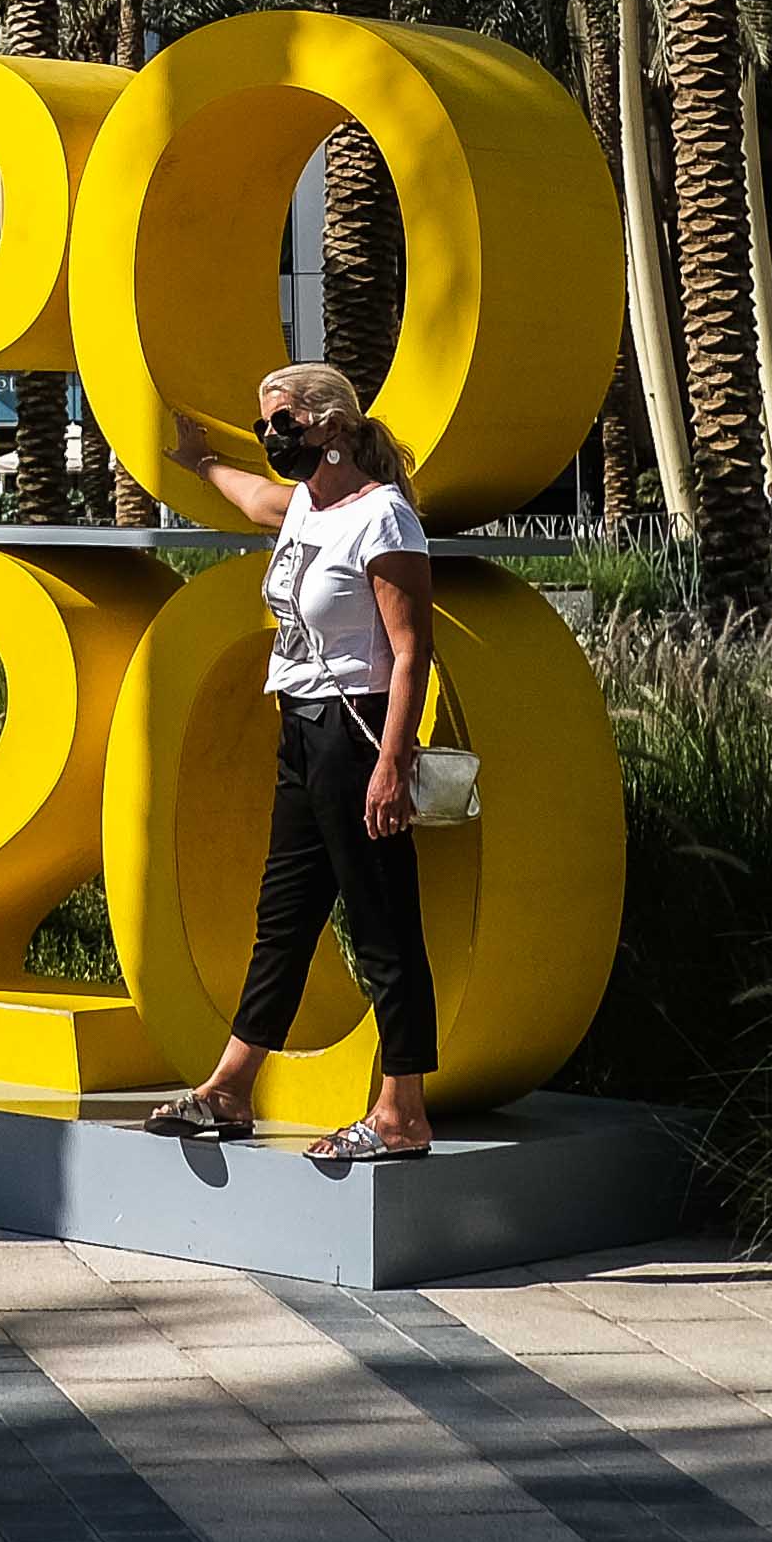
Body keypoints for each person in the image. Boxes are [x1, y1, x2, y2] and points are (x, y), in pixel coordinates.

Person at [142, 359, 443, 1168]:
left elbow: (413, 652)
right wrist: (198, 459)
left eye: (283, 423)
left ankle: (400, 1113)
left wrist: (389, 765)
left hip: (357, 733)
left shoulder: (382, 519)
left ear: (332, 427)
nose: (272, 437)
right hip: (301, 734)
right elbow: (253, 496)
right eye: (266, 423)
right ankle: (229, 1089)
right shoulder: (308, 506)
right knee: (282, 919)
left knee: (382, 928)